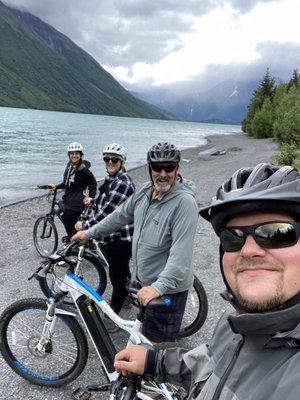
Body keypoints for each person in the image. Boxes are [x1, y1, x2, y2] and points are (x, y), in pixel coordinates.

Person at [113, 162, 300, 400]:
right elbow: (213, 366)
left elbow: (179, 257)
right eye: (233, 237)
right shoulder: (236, 322)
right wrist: (156, 362)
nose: (249, 250)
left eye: (276, 233)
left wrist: (159, 287)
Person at [72, 142, 198, 342]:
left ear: (177, 169)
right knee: (143, 340)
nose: (163, 173)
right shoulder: (145, 191)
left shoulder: (184, 204)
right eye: (157, 168)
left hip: (165, 290)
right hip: (145, 285)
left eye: (169, 167)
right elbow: (119, 216)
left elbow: (180, 256)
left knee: (156, 352)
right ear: (149, 168)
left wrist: (157, 288)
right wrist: (89, 233)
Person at [75, 143, 135, 331]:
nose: (110, 162)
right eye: (106, 159)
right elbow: (104, 200)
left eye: (114, 160)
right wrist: (93, 201)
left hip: (120, 239)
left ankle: (114, 319)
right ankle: (126, 296)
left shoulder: (123, 183)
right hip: (113, 237)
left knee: (116, 279)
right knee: (121, 271)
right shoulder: (113, 179)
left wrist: (85, 226)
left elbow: (107, 214)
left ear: (122, 161)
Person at [49, 142, 97, 239]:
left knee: (67, 216)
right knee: (64, 209)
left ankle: (72, 239)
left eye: (76, 153)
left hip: (77, 199)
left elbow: (93, 184)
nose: (74, 156)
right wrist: (57, 186)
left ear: (81, 155)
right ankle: (75, 237)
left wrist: (91, 197)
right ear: (69, 155)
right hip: (69, 197)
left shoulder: (83, 170)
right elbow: (67, 183)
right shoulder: (69, 166)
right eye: (72, 153)